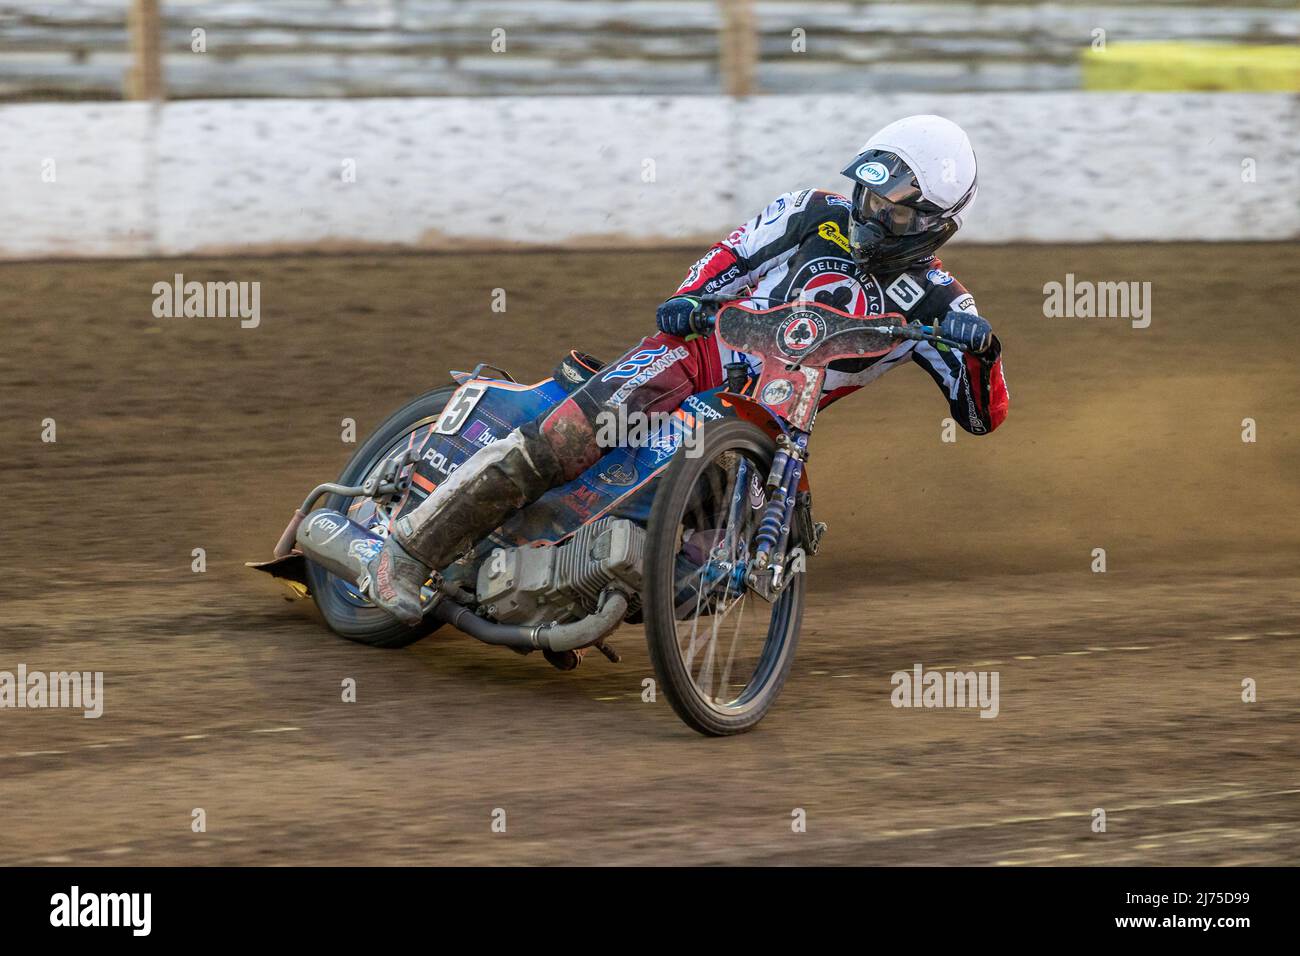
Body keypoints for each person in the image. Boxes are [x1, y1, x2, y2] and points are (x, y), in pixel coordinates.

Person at [365, 114, 1009, 625]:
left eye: (891, 210)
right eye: (867, 194)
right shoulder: (813, 213)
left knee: (719, 559)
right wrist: (689, 298)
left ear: (935, 226)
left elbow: (981, 417)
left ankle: (583, 593)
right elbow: (733, 254)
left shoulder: (944, 303)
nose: (869, 212)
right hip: (692, 358)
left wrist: (982, 351)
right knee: (568, 439)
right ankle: (406, 552)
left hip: (772, 427)